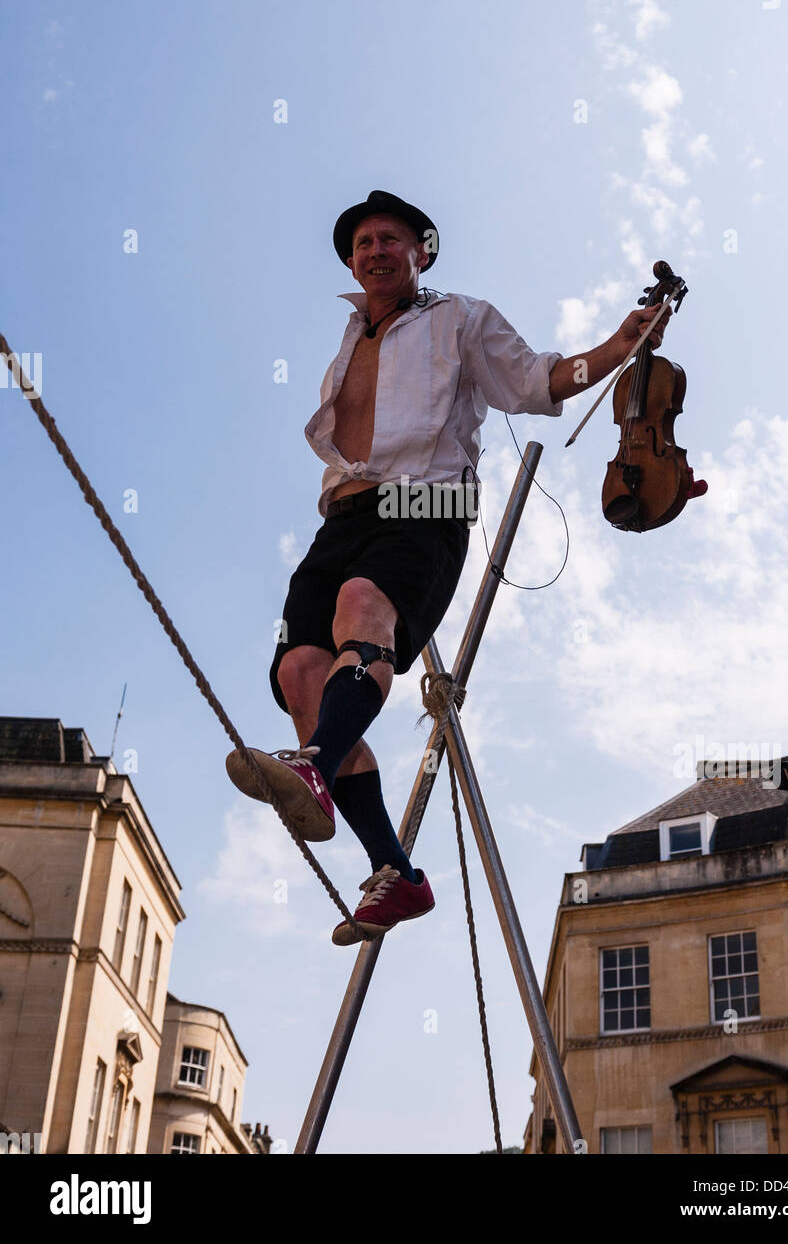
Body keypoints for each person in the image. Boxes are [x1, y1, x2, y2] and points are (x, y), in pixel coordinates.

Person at [226, 189, 668, 945]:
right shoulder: (348, 338)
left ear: (421, 251)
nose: (375, 250)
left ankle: (312, 769)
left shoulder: (458, 317)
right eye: (362, 242)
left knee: (365, 605)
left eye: (390, 239)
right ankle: (396, 875)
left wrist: (620, 343)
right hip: (343, 510)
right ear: (350, 260)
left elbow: (539, 381)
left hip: (423, 503)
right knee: (301, 674)